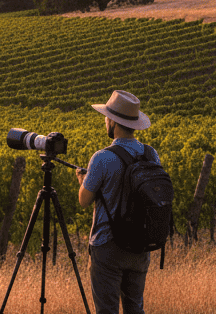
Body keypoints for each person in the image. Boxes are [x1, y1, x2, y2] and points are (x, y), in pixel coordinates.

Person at [76, 90, 159, 314]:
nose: (105, 120)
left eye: (106, 117)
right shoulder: (151, 155)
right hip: (141, 245)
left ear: (113, 122)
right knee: (135, 309)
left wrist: (83, 180)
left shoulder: (102, 157)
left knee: (107, 310)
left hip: (108, 244)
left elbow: (84, 200)